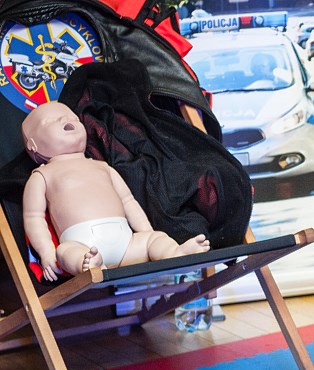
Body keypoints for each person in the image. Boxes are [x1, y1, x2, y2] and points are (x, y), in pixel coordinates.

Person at [21, 101, 210, 281]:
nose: (66, 119)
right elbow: (33, 218)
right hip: (82, 245)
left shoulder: (103, 167)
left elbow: (128, 201)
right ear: (33, 145)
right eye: (51, 121)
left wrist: (147, 232)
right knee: (64, 252)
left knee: (155, 239)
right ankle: (88, 266)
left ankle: (174, 253)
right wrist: (47, 253)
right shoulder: (42, 176)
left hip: (126, 243)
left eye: (73, 118)